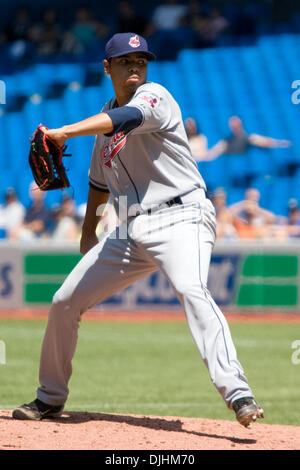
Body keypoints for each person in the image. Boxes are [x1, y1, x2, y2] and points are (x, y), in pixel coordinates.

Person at [13, 32, 264, 427]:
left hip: (182, 218)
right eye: (126, 62)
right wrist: (87, 234)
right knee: (64, 301)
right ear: (107, 67)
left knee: (191, 290)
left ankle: (238, 392)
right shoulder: (102, 117)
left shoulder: (155, 96)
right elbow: (98, 182)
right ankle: (49, 398)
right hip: (130, 230)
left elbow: (126, 118)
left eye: (141, 61)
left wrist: (63, 132)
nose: (135, 67)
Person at [204, 115, 292, 160]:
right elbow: (213, 153)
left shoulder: (249, 138)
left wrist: (281, 143)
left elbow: (265, 142)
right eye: (232, 125)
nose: (234, 127)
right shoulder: (226, 141)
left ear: (240, 124)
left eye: (236, 124)